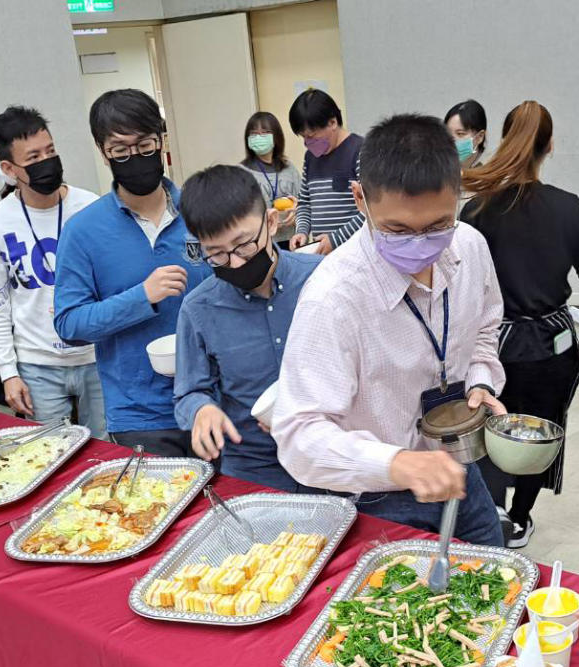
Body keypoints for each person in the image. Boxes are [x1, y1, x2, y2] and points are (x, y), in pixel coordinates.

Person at [273, 114, 505, 546]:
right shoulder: (334, 296)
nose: (420, 245)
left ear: (458, 195)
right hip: (376, 496)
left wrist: (480, 379)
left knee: (495, 588)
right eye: (398, 230)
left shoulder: (470, 248)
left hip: (457, 467)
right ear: (360, 199)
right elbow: (299, 433)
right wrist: (396, 464)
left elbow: (486, 328)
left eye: (437, 227)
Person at [54, 89, 213, 457]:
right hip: (140, 415)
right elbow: (69, 324)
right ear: (102, 151)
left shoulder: (199, 212)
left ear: (162, 140)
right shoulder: (83, 231)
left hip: (213, 402)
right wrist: (142, 297)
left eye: (145, 145)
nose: (135, 158)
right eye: (120, 151)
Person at [461, 101, 579, 548]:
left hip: (493, 346)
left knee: (490, 427)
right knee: (539, 431)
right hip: (555, 347)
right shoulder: (571, 209)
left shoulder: (475, 213)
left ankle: (492, 517)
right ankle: (521, 516)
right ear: (549, 147)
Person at [175, 165, 320, 489]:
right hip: (253, 469)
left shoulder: (322, 278)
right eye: (217, 255)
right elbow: (189, 390)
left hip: (329, 458)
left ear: (270, 222)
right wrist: (201, 410)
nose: (236, 262)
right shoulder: (198, 308)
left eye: (243, 245)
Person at [0, 106, 105, 436]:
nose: (46, 161)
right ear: (8, 168)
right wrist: (7, 371)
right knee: (49, 454)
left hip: (97, 356)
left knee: (109, 449)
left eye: (51, 151)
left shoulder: (91, 207)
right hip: (37, 364)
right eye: (33, 157)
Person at [287, 89, 364, 256]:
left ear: (333, 123)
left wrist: (336, 239)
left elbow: (371, 211)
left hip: (355, 252)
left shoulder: (360, 151)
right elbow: (305, 203)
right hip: (323, 253)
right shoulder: (311, 157)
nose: (308, 143)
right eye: (304, 138)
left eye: (312, 136)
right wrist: (301, 231)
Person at [240, 111, 301, 244]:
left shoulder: (289, 168)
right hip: (259, 244)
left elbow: (304, 202)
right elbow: (237, 214)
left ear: (276, 137)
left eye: (264, 133)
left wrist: (298, 211)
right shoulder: (240, 172)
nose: (259, 137)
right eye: (254, 134)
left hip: (291, 240)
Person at [445, 99, 488, 168]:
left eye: (460, 134)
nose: (452, 140)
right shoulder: (441, 168)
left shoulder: (490, 171)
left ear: (480, 136)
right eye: (447, 134)